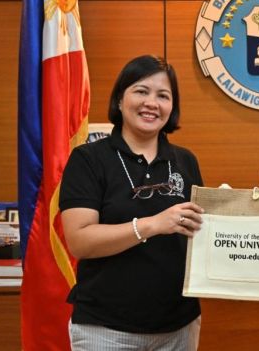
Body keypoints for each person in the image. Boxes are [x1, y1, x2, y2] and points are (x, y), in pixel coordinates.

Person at [59, 55, 204, 350]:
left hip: (179, 326)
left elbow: (199, 233)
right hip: (105, 328)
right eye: (141, 91)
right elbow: (79, 240)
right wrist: (152, 225)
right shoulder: (88, 159)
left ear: (172, 107)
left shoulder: (185, 160)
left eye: (163, 95)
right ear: (120, 99)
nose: (152, 102)